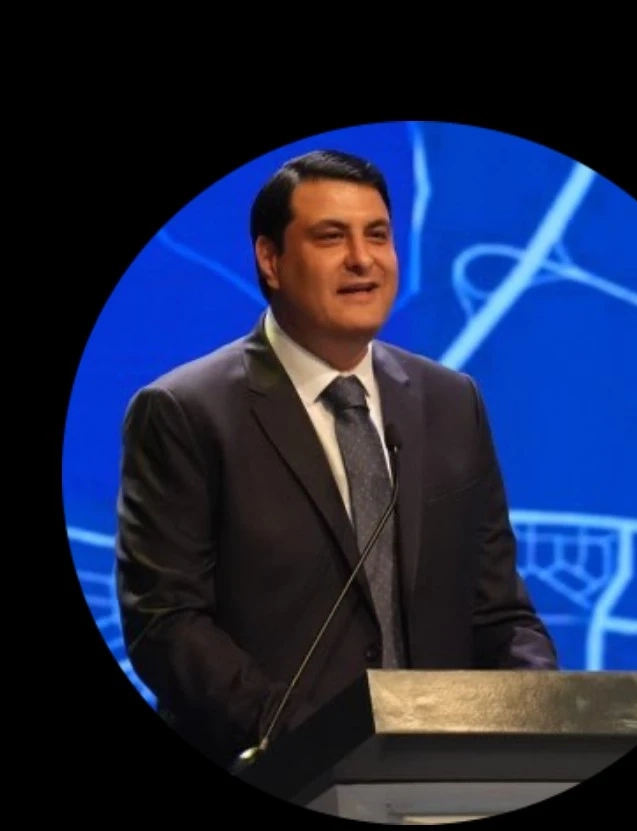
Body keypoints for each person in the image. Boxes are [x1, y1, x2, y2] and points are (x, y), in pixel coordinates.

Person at [115, 148, 558, 771]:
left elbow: (500, 612)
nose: (362, 259)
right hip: (280, 769)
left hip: (446, 780)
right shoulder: (185, 412)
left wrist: (531, 716)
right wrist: (322, 741)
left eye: (377, 235)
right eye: (331, 237)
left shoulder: (451, 401)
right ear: (271, 260)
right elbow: (166, 622)